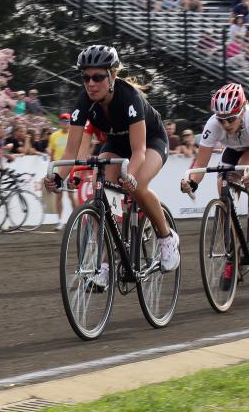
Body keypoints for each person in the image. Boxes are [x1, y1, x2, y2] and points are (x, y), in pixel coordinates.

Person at [44, 45, 180, 283]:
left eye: (97, 77)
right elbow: (70, 149)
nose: (91, 83)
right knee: (103, 189)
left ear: (113, 76)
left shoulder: (130, 98)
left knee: (137, 186)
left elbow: (138, 152)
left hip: (151, 142)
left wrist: (130, 177)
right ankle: (107, 261)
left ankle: (166, 237)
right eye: (86, 77)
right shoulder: (83, 101)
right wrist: (58, 177)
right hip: (117, 143)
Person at [180, 84, 249, 289]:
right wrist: (191, 183)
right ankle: (232, 252)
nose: (225, 124)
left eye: (231, 118)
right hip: (235, 147)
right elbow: (200, 165)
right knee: (223, 183)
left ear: (242, 110)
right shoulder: (213, 124)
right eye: (221, 119)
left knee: (248, 170)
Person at [47, 113, 78, 230]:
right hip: (58, 167)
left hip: (70, 167)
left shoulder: (74, 134)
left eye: (67, 121)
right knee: (58, 195)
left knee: (71, 194)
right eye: (63, 121)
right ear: (60, 122)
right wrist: (50, 171)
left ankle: (76, 220)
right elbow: (51, 153)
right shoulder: (54, 136)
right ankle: (60, 221)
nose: (65, 123)